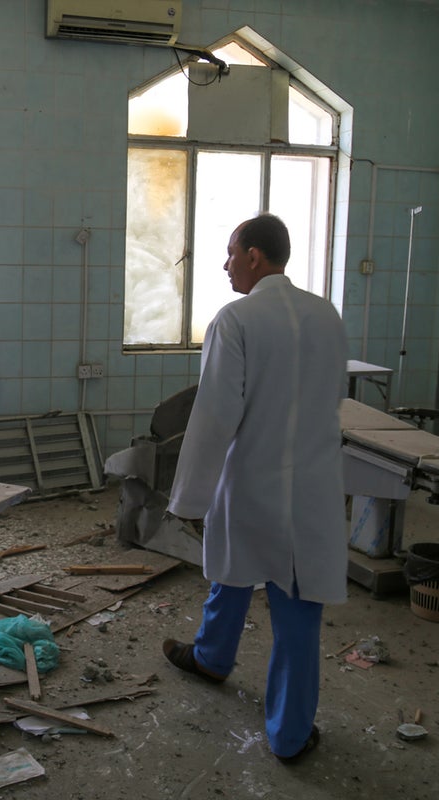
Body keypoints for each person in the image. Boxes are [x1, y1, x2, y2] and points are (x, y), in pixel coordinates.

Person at [161, 213, 348, 764]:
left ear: (254, 257)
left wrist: (190, 499)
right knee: (295, 602)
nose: (224, 264)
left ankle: (215, 661)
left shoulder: (235, 319)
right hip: (312, 486)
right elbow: (332, 398)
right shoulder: (327, 316)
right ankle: (288, 733)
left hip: (250, 482)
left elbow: (216, 416)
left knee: (232, 566)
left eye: (229, 252)